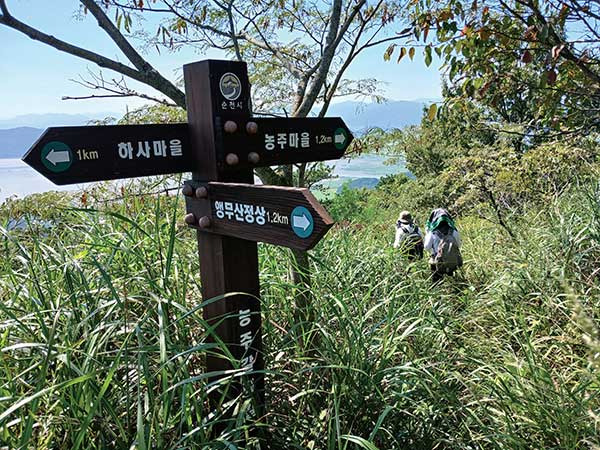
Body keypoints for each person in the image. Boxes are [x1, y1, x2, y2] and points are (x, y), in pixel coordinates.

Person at [424, 208, 463, 281]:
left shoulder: (432, 233)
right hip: (452, 260)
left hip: (437, 261)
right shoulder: (454, 231)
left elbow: (426, 247)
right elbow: (459, 245)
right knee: (453, 281)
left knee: (437, 283)